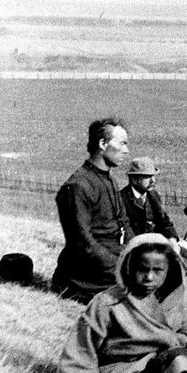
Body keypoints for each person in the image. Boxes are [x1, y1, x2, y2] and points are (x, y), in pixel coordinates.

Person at [55, 233, 187, 373]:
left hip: (159, 366)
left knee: (183, 361)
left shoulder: (176, 303)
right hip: (120, 369)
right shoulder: (107, 302)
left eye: (158, 270)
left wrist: (175, 340)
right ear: (129, 267)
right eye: (142, 269)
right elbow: (83, 344)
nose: (149, 277)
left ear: (170, 269)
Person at [52, 118, 133, 302]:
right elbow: (84, 245)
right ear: (103, 144)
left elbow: (124, 225)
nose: (126, 150)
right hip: (85, 275)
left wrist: (137, 253)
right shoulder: (78, 186)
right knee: (142, 288)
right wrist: (123, 266)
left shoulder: (110, 180)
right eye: (122, 143)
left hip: (111, 261)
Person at [118, 157, 178, 241]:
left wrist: (172, 239)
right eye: (147, 177)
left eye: (153, 176)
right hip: (136, 245)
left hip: (157, 242)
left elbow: (165, 221)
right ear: (134, 179)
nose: (153, 181)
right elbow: (126, 228)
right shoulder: (121, 198)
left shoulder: (154, 195)